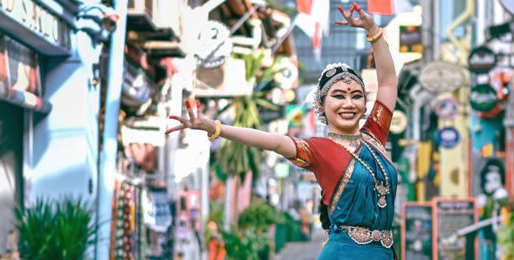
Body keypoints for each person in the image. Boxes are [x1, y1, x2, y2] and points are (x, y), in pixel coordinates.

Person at [165, 2, 398, 259]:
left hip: (385, 252)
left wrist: (373, 31)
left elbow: (387, 82)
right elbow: (274, 142)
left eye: (356, 96)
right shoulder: (320, 149)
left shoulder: (374, 136)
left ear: (365, 102)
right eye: (339, 96)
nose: (348, 103)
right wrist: (217, 127)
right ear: (322, 104)